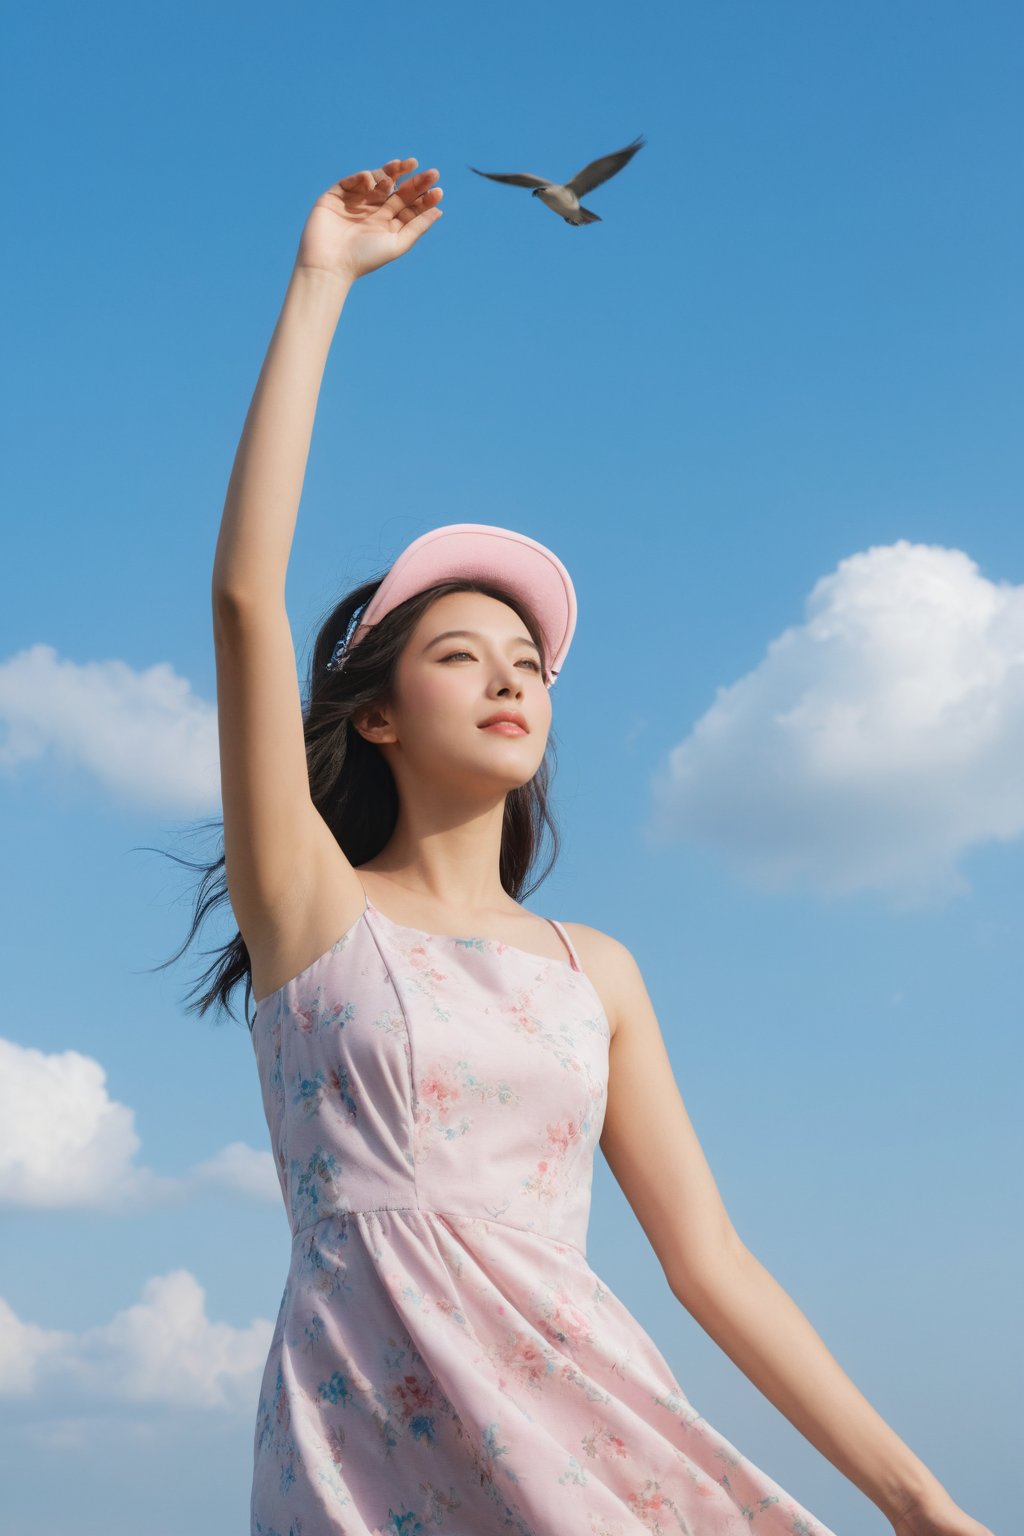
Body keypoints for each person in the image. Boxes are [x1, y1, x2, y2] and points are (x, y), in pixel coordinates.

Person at [203, 158, 993, 1534]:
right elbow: (246, 602)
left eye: (531, 662)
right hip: (365, 1450)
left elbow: (712, 1265)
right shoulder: (316, 914)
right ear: (376, 715)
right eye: (461, 655)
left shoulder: (596, 971)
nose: (512, 679)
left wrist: (917, 1503)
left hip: (589, 1439)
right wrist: (321, 283)